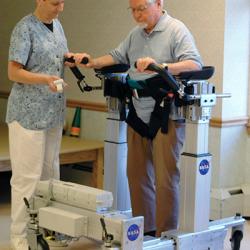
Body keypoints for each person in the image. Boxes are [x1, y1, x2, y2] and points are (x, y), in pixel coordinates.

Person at [68, 0, 202, 237]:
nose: (137, 15)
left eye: (141, 8)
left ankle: (165, 236)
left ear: (159, 3)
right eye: (133, 9)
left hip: (166, 114)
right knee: (136, 175)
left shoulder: (176, 29)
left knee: (165, 179)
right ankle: (146, 231)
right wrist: (90, 61)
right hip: (138, 113)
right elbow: (117, 56)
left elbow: (194, 63)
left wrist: (161, 66)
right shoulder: (135, 34)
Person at [6, 1, 68, 249]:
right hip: (27, 114)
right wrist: (44, 79)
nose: (60, 7)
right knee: (27, 177)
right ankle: (19, 237)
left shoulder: (58, 26)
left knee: (49, 174)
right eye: (55, 2)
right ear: (40, 0)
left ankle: (46, 229)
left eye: (63, 2)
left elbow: (56, 59)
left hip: (53, 112)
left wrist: (70, 60)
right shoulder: (25, 28)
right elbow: (13, 72)